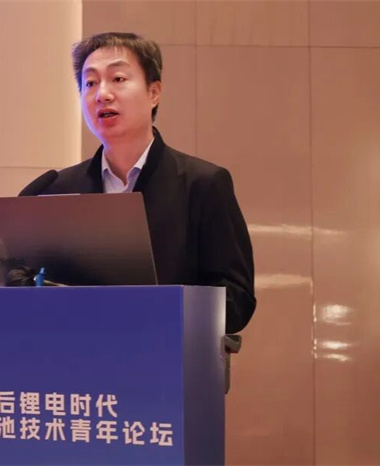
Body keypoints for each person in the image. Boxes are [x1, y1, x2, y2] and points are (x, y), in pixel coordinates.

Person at [20, 32, 256, 334]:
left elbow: (236, 300)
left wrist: (156, 311)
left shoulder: (202, 185)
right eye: (90, 83)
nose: (102, 94)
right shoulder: (57, 189)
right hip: (77, 357)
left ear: (154, 92)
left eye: (118, 79)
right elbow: (32, 286)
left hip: (167, 355)